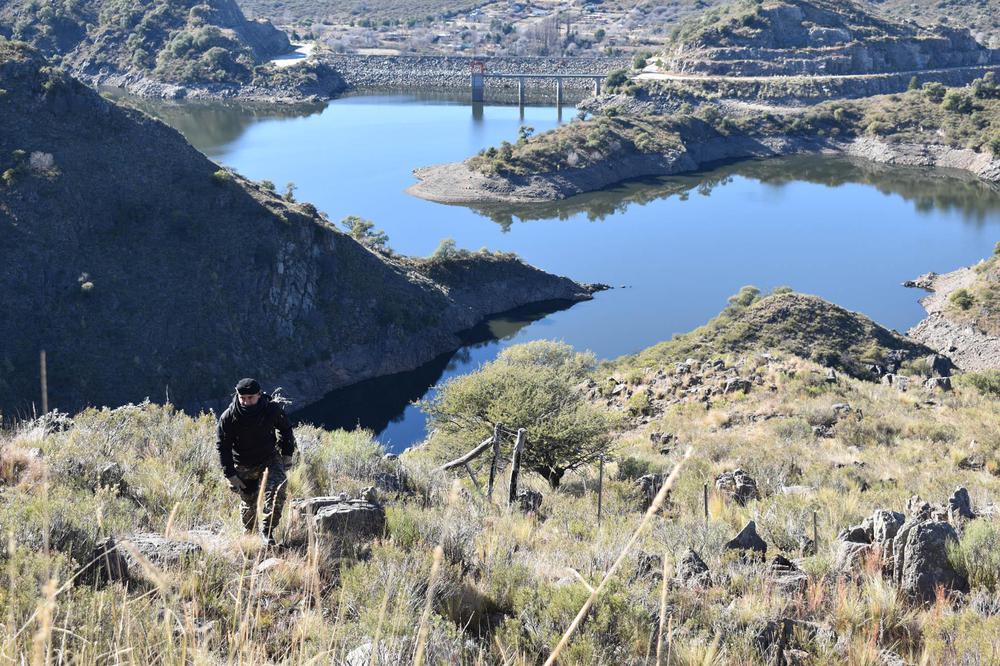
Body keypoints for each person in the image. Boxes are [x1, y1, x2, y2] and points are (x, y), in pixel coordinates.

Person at [216, 378, 296, 547]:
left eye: (250, 397)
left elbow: (285, 429)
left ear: (259, 395)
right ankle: (250, 535)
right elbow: (223, 447)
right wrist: (229, 473)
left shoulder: (271, 410)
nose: (246, 401)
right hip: (242, 464)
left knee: (277, 492)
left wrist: (287, 454)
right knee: (249, 502)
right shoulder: (229, 417)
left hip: (269, 459)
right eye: (242, 398)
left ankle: (267, 532)